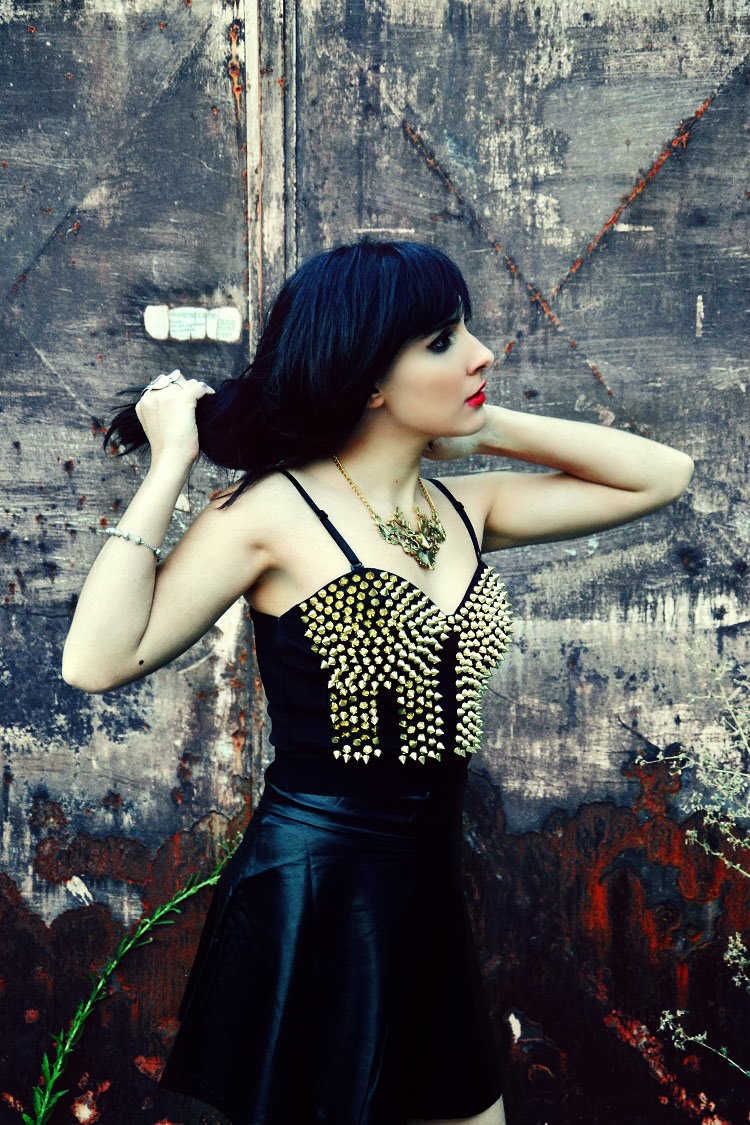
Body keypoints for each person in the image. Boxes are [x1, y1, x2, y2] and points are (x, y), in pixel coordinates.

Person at [62, 238, 694, 1125]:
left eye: (465, 330)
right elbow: (94, 662)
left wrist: (482, 424)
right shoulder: (271, 513)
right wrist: (172, 463)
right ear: (367, 380)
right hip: (314, 894)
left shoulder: (467, 506)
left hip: (428, 892)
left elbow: (663, 476)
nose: (480, 354)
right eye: (441, 341)